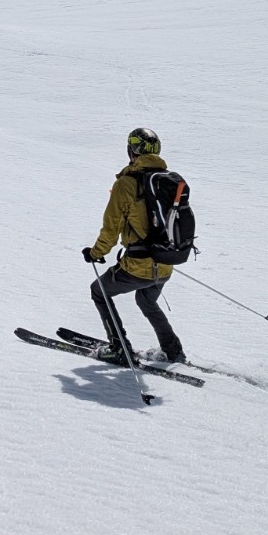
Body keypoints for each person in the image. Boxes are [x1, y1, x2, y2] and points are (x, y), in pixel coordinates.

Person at [82, 127, 185, 365]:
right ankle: (173, 350)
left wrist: (95, 253)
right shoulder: (168, 182)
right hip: (167, 264)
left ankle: (119, 347)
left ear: (132, 151)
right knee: (147, 300)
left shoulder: (126, 184)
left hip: (138, 266)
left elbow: (111, 228)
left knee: (99, 291)